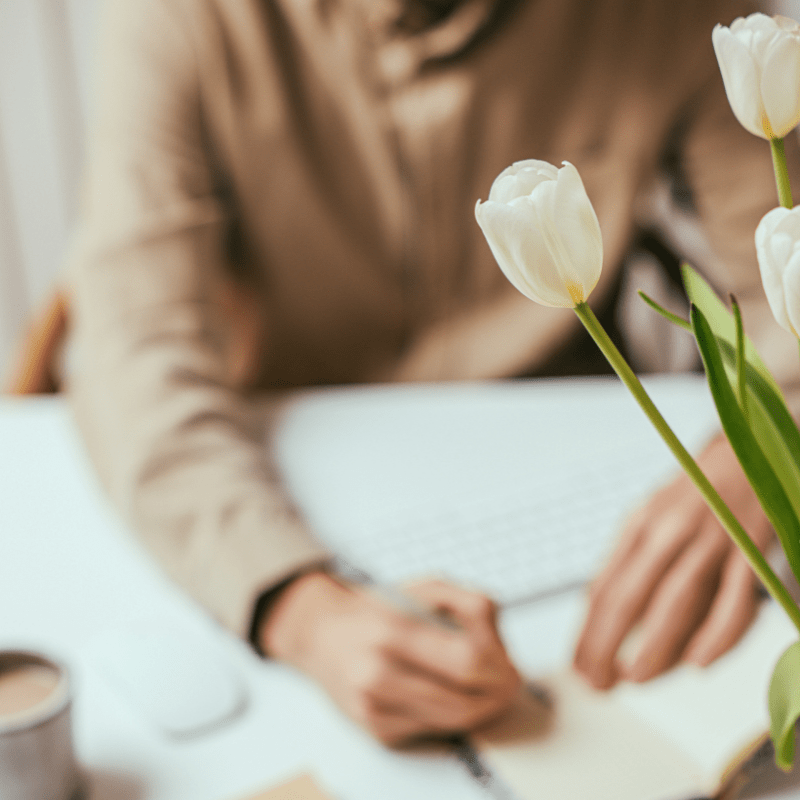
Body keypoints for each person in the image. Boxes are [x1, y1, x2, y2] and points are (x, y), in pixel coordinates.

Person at [64, 0, 799, 744]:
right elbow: (134, 354)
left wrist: (758, 460)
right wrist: (298, 608)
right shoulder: (177, 18)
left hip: (574, 513)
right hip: (284, 500)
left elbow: (789, 274)